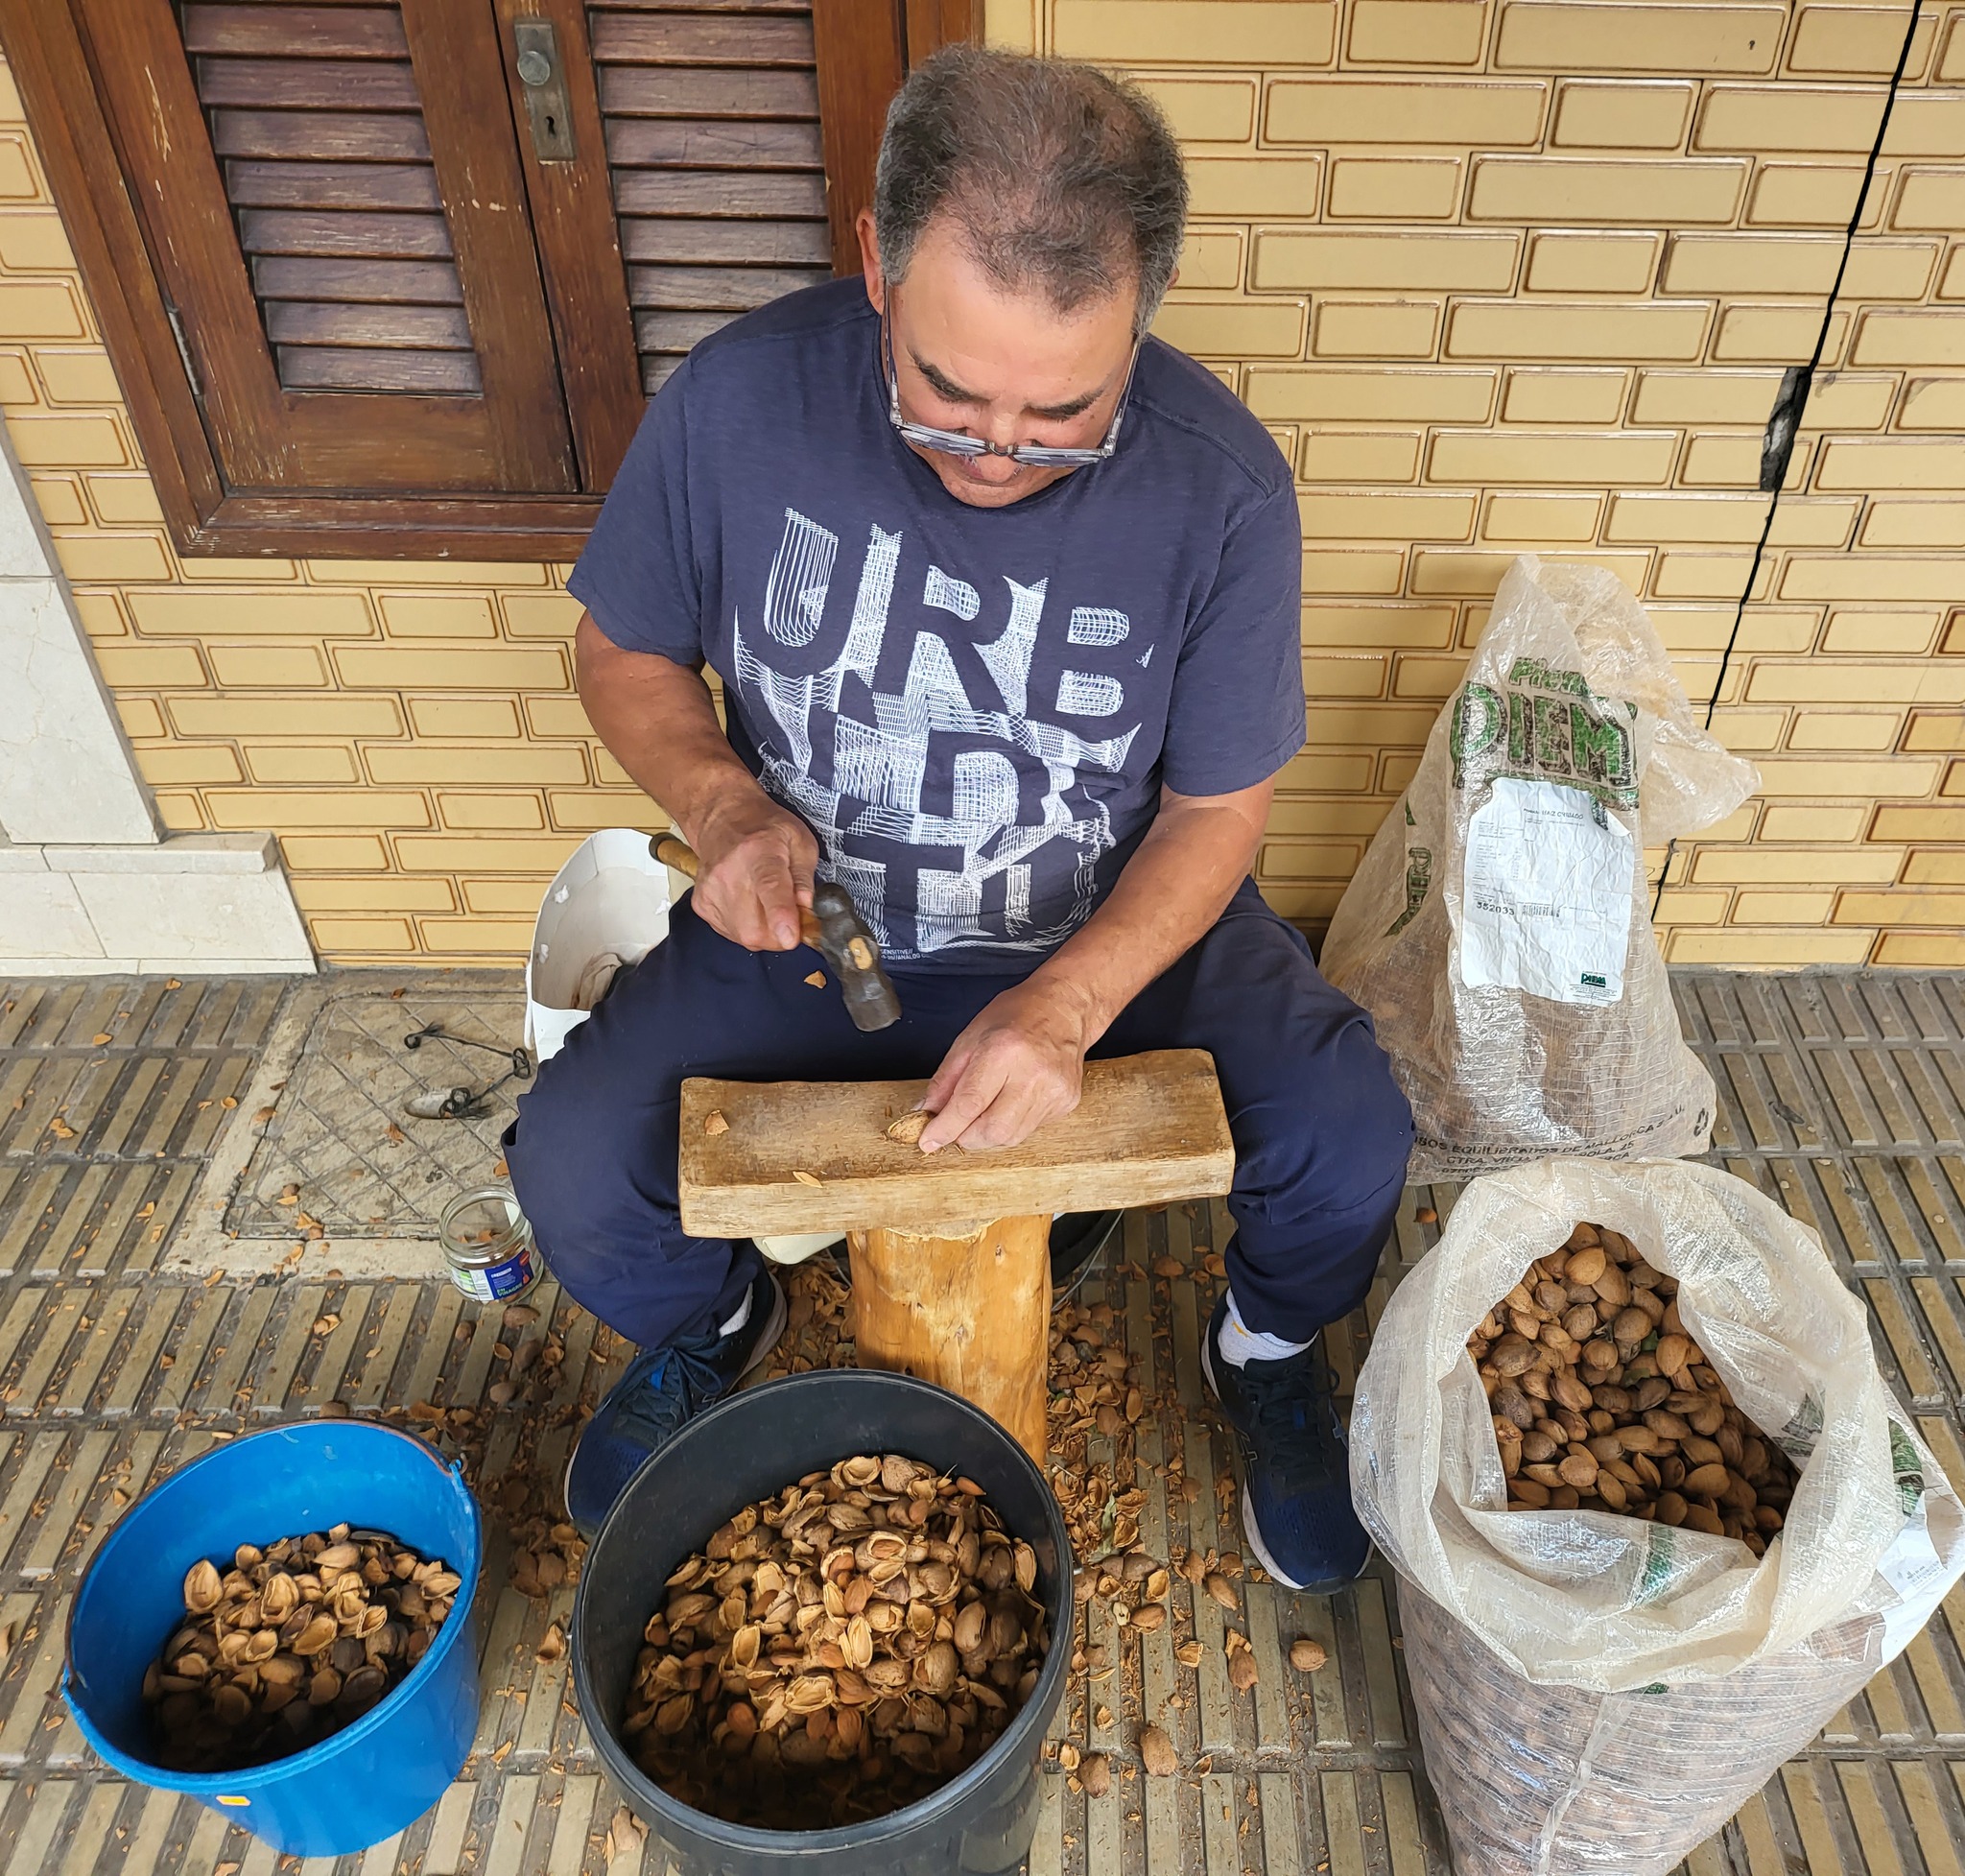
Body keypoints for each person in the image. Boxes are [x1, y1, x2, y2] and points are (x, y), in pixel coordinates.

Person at [505, 45, 1413, 1591]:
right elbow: (625, 648)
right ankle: (718, 1322)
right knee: (573, 1168)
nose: (1000, 456)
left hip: (1113, 922)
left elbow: (1216, 810)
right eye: (947, 395)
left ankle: (1260, 1351)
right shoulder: (736, 407)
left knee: (1347, 1136)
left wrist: (1066, 1009)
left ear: (1145, 317)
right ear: (875, 260)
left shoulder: (1225, 490)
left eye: (1065, 413)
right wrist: (724, 806)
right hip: (817, 920)